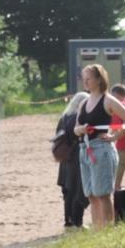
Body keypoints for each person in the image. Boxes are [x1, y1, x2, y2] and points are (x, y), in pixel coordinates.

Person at [76, 65, 125, 228]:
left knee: (102, 194)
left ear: (99, 79)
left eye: (88, 78)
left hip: (101, 150)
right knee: (91, 195)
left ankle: (107, 229)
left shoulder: (108, 100)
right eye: (83, 78)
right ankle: (97, 229)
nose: (85, 81)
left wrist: (114, 136)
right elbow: (75, 128)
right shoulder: (83, 102)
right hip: (84, 149)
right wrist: (81, 129)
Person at [55, 92, 89, 230]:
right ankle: (77, 222)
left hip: (65, 158)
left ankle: (68, 221)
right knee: (78, 189)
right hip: (77, 156)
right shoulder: (79, 118)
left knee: (68, 190)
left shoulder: (63, 118)